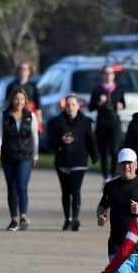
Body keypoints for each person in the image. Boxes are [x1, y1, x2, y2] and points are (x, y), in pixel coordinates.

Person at [47, 94, 98, 231]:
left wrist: (95, 156)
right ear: (64, 106)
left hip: (79, 161)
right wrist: (61, 141)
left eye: (73, 104)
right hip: (62, 162)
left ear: (78, 106)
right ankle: (67, 219)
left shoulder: (85, 121)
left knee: (75, 190)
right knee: (65, 191)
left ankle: (75, 218)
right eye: (68, 105)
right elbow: (50, 142)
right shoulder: (57, 122)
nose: (70, 107)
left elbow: (91, 140)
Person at [0, 87, 39, 231]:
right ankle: (14, 219)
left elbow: (34, 137)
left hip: (25, 156)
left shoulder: (30, 116)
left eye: (21, 99)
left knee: (21, 186)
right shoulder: (4, 116)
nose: (19, 102)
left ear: (25, 100)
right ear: (11, 100)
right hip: (8, 155)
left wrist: (35, 155)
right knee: (11, 187)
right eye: (16, 99)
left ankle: (23, 216)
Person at [89, 66, 126, 178]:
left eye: (110, 73)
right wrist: (99, 103)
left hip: (114, 123)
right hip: (102, 123)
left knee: (115, 151)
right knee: (104, 152)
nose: (108, 75)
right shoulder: (97, 90)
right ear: (102, 75)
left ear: (113, 75)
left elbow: (123, 104)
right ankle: (106, 177)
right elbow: (91, 107)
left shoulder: (118, 89)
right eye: (106, 73)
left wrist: (121, 105)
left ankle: (114, 175)